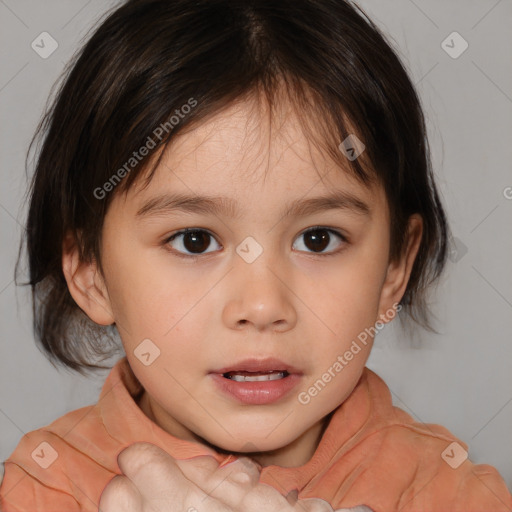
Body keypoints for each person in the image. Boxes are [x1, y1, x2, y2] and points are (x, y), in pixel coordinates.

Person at [1, 0, 511, 510]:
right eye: (194, 240)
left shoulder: (452, 494)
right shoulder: (37, 491)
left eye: (318, 239)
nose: (263, 305)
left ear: (393, 271)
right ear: (91, 273)